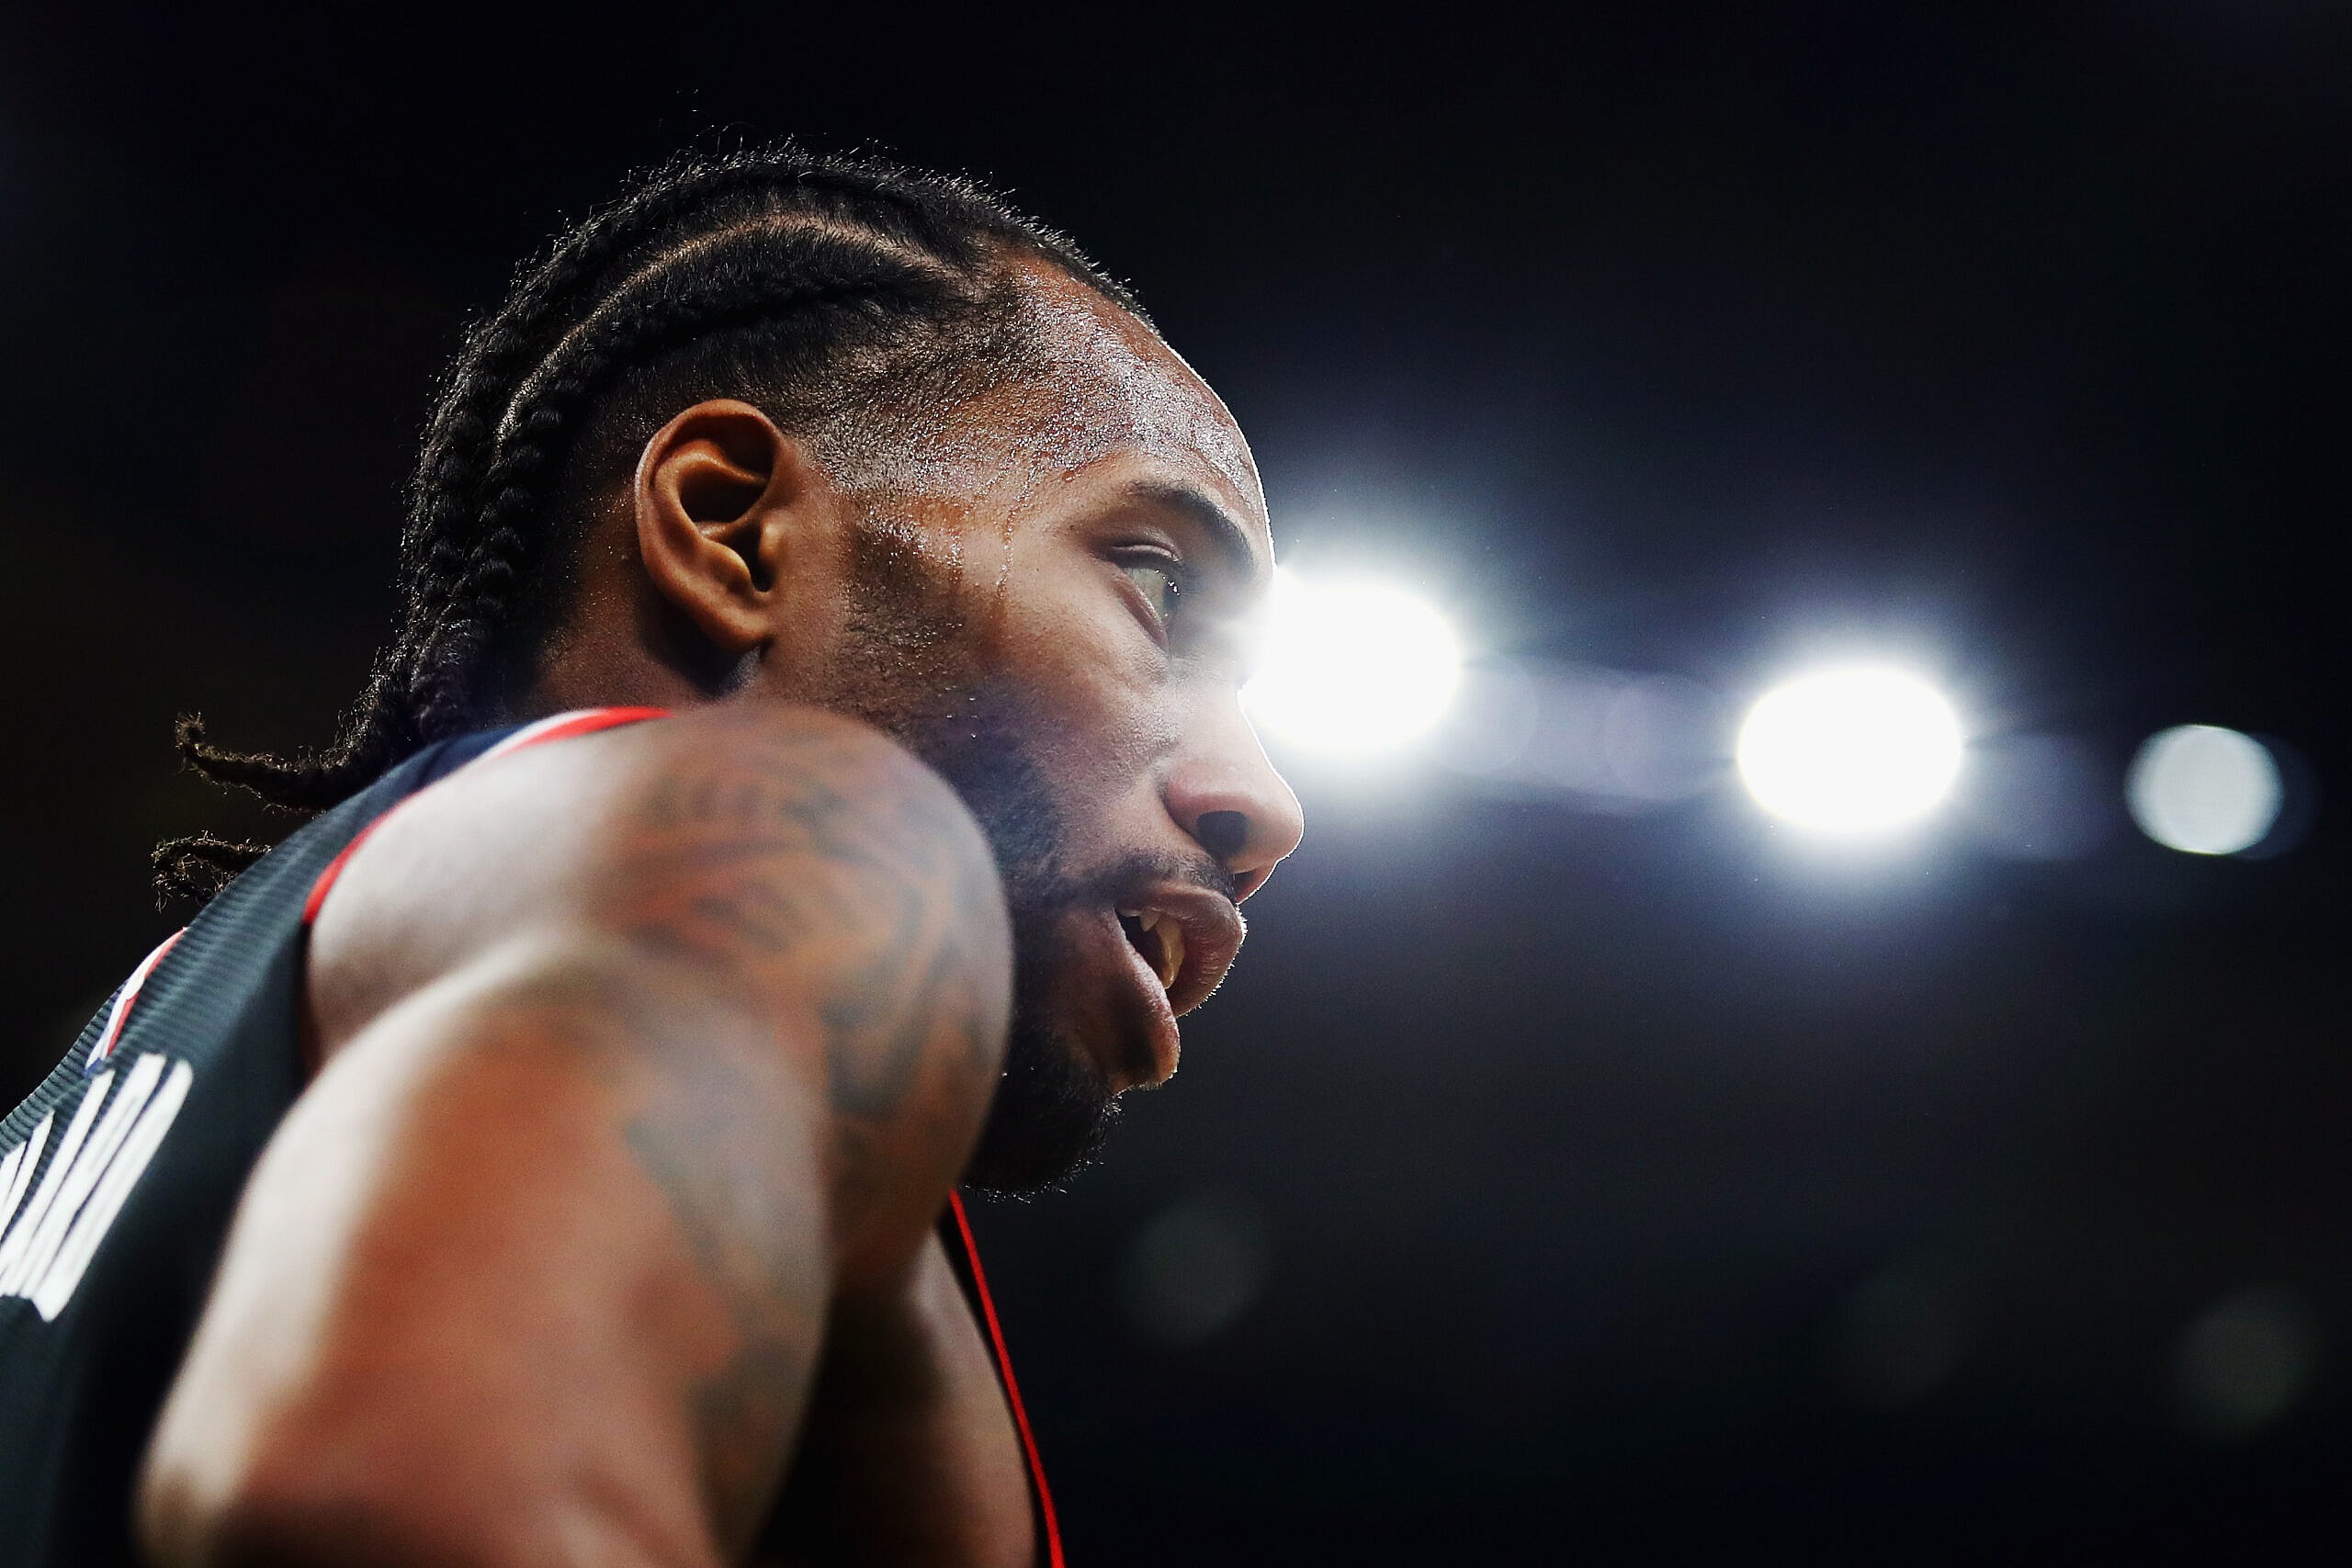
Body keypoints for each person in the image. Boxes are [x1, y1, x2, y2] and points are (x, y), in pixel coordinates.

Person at [0, 146, 1303, 1568]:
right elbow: (392, 1505)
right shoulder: (793, 849)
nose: (1266, 804)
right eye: (1160, 586)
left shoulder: (121, 1086)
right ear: (735, 530)